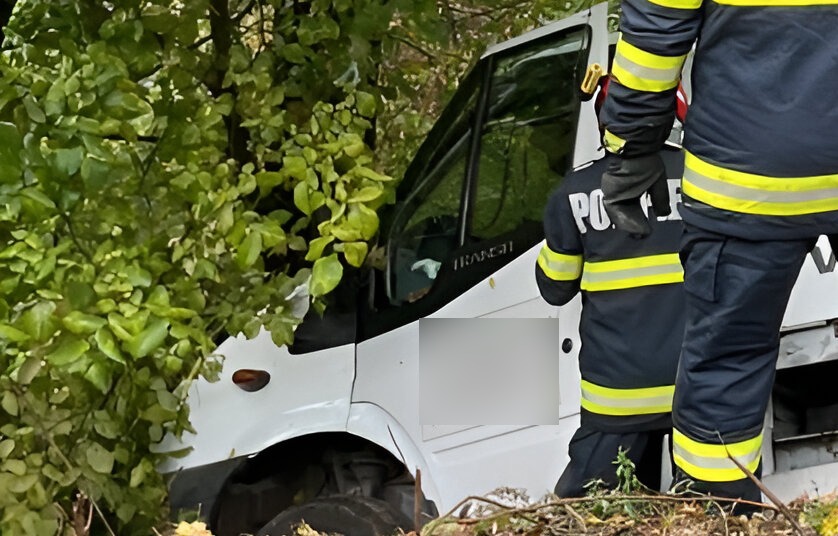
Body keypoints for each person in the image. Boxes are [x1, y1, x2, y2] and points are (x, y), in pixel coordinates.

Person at [598, 0, 838, 503]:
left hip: (747, 181)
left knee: (726, 368)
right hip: (752, 175)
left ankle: (722, 512)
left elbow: (653, 41)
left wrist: (633, 146)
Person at [535, 79, 687, 496]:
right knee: (711, 512)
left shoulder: (572, 193)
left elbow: (555, 288)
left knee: (592, 513)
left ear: (605, 120)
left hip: (617, 399)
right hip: (696, 387)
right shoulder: (701, 178)